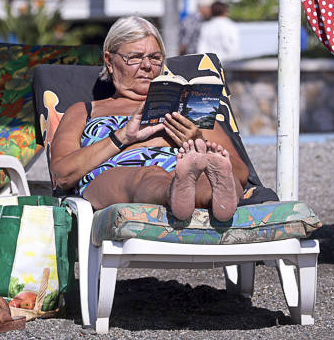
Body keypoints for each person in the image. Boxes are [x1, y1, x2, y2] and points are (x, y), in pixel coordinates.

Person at [48, 16, 249, 221]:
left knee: (214, 174)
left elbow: (242, 173)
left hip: (185, 171)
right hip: (113, 176)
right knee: (148, 174)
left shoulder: (191, 107)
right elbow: (62, 175)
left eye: (155, 57)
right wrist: (123, 136)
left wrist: (198, 143)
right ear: (109, 61)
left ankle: (214, 196)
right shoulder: (84, 111)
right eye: (134, 57)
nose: (147, 66)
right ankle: (176, 192)